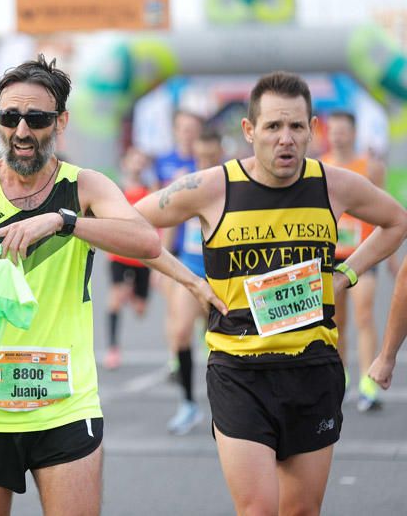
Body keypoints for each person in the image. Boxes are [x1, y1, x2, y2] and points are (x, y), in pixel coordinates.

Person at [134, 71, 407, 515]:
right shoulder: (211, 187)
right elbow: (131, 223)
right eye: (273, 127)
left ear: (311, 130)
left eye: (297, 127)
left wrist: (346, 274)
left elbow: (396, 221)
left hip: (312, 369)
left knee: (300, 511)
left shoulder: (332, 185)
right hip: (239, 371)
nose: (286, 139)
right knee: (258, 509)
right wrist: (188, 279)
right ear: (249, 131)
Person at [0, 55, 160, 515]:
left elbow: (146, 240)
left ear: (60, 122)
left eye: (37, 118)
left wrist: (64, 222)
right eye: (10, 117)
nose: (22, 131)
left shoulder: (85, 187)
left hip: (65, 403)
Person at [322, 111, 386, 412]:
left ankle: (368, 383)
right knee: (336, 322)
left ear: (354, 132)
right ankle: (342, 377)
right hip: (331, 255)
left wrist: (391, 256)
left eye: (343, 130)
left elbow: (384, 210)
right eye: (332, 130)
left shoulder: (370, 166)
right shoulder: (319, 166)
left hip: (363, 254)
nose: (337, 135)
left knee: (364, 316)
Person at [164, 128, 223, 435]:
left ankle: (225, 410)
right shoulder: (184, 181)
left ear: (220, 151)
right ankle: (188, 404)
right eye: (200, 155)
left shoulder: (229, 181)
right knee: (181, 333)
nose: (204, 161)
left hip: (223, 275)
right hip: (189, 270)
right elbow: (169, 223)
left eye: (210, 156)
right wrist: (163, 266)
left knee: (220, 344)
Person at [154, 111, 203, 378]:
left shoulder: (206, 162)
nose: (188, 133)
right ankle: (176, 356)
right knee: (174, 306)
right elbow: (154, 204)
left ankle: (207, 346)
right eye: (183, 128)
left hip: (203, 251)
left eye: (193, 128)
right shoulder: (165, 162)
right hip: (174, 246)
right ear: (175, 131)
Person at [104, 147, 154, 370]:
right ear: (125, 163)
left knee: (140, 309)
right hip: (119, 254)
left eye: (141, 161)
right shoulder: (118, 191)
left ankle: (132, 291)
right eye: (133, 160)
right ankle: (113, 349)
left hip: (142, 256)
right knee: (115, 299)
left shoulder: (150, 191)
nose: (137, 165)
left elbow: (156, 223)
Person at [369, 254, 407, 390]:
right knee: (338, 318)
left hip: (360, 243)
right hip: (334, 252)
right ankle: (345, 374)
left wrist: (386, 357)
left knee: (364, 314)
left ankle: (366, 386)